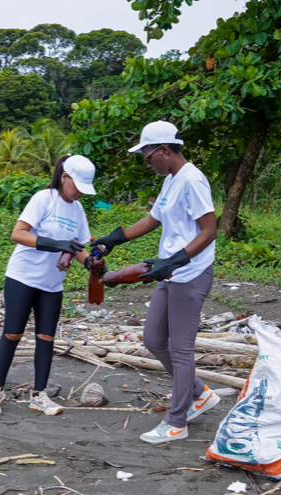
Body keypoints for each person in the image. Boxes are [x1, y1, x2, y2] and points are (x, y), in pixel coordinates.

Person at [91, 121, 220, 444]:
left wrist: (174, 261)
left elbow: (209, 231)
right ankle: (200, 394)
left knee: (180, 350)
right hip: (169, 270)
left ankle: (176, 422)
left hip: (189, 274)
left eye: (149, 157)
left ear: (165, 150)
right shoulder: (172, 180)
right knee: (153, 339)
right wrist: (113, 240)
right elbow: (153, 219)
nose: (148, 164)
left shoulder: (193, 179)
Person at [0, 155, 99, 417]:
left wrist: (93, 265)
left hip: (52, 284)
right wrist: (57, 244)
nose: (80, 192)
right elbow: (19, 233)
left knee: (46, 338)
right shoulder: (44, 198)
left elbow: (79, 247)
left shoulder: (78, 210)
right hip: (22, 277)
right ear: (64, 177)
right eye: (77, 185)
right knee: (12, 334)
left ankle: (39, 395)